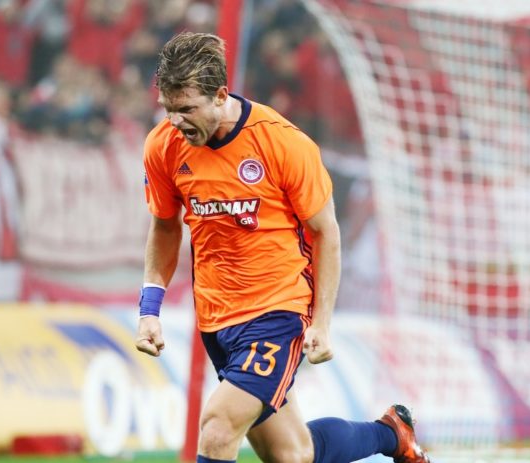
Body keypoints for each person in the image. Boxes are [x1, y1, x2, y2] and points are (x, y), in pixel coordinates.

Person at [135, 31, 430, 463]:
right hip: (217, 318)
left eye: (187, 109)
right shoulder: (163, 146)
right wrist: (150, 310)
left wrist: (321, 323)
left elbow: (325, 232)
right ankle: (392, 434)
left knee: (218, 426)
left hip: (278, 311)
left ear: (220, 96)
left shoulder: (282, 142)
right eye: (169, 108)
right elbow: (164, 227)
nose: (176, 121)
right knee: (293, 454)